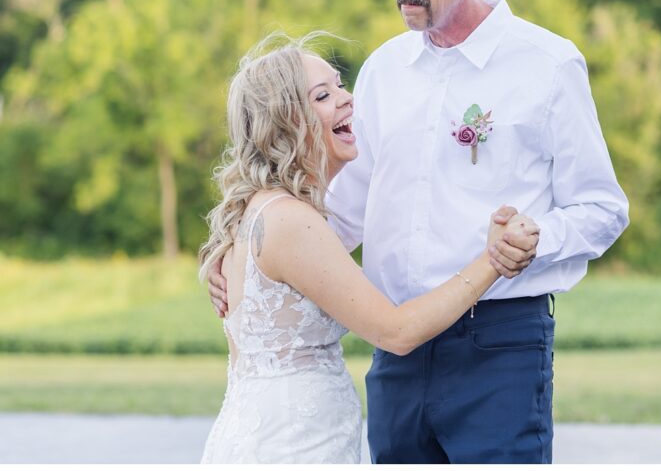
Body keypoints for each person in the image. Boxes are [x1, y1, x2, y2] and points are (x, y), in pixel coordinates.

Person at [210, 0, 629, 463]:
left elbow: (603, 209)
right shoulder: (385, 69)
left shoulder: (547, 64)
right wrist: (255, 267)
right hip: (395, 351)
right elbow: (347, 208)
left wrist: (532, 241)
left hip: (498, 344)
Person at [197, 33, 534, 464]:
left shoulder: (269, 212)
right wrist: (493, 258)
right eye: (323, 95)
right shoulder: (290, 219)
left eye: (340, 85)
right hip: (290, 449)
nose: (347, 99)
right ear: (286, 120)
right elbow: (394, 332)